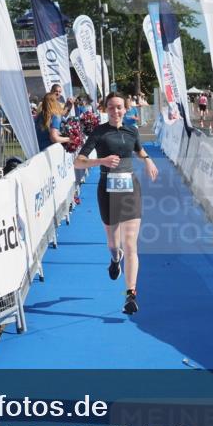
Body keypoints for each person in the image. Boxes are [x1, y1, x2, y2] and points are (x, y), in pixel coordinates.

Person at [73, 93, 159, 315]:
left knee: (131, 243)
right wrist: (101, 161)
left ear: (125, 108)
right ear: (106, 109)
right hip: (107, 190)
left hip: (131, 189)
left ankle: (130, 295)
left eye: (119, 107)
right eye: (111, 108)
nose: (116, 111)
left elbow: (139, 149)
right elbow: (78, 161)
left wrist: (148, 160)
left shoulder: (132, 130)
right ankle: (114, 258)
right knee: (114, 243)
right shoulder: (99, 132)